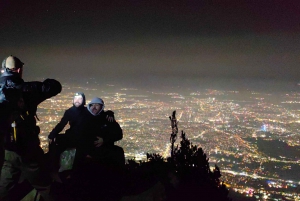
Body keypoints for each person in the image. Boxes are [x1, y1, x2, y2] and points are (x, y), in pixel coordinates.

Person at [0, 55, 62, 201]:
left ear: (3, 70)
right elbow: (54, 86)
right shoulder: (27, 89)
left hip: (7, 148)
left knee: (5, 185)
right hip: (27, 149)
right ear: (20, 69)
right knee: (44, 184)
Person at [47, 92, 115, 174]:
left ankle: (69, 171)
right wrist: (52, 134)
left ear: (84, 101)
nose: (77, 100)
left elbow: (99, 112)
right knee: (55, 141)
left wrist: (110, 113)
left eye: (80, 99)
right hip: (72, 136)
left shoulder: (87, 111)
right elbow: (61, 124)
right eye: (75, 98)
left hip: (83, 139)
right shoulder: (69, 111)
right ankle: (54, 167)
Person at [74, 97, 125, 169]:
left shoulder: (107, 118)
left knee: (118, 151)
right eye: (92, 105)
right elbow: (79, 136)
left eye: (97, 105)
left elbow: (119, 134)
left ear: (101, 107)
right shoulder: (84, 118)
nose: (94, 107)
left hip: (104, 149)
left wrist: (104, 140)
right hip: (87, 149)